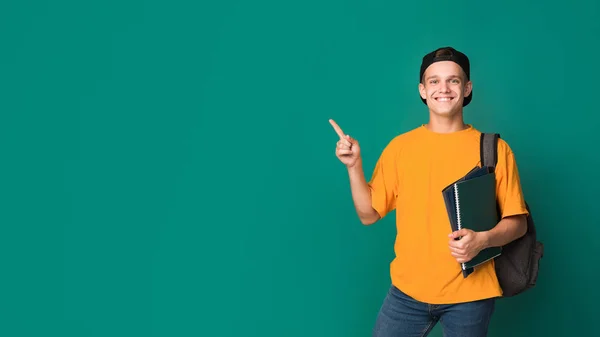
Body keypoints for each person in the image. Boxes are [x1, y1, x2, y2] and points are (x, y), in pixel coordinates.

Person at [329, 46, 529, 337]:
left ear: (467, 87)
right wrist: (354, 166)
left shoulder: (495, 150)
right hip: (406, 293)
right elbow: (368, 214)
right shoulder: (400, 148)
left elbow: (518, 223)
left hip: (470, 294)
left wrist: (483, 240)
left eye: (454, 80)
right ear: (423, 90)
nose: (443, 88)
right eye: (434, 81)